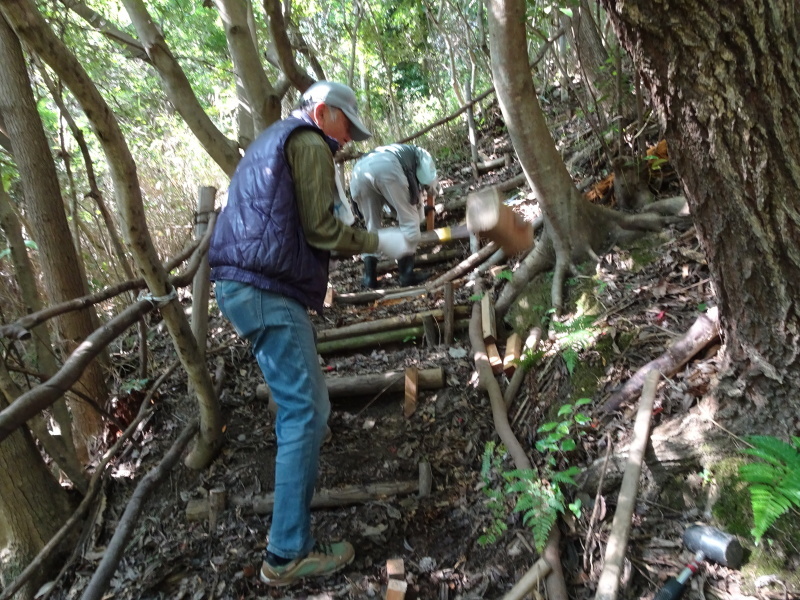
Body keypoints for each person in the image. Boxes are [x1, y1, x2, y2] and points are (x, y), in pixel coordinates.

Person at [208, 81, 411, 586]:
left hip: (242, 285)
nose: (348, 141)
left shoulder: (274, 140)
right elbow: (322, 230)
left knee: (297, 408)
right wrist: (380, 241)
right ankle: (287, 554)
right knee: (307, 409)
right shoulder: (308, 141)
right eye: (346, 128)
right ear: (323, 113)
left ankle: (287, 540)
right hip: (263, 288)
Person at [350, 144, 439, 288]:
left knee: (372, 227)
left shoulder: (394, 150)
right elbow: (428, 179)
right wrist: (434, 191)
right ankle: (406, 275)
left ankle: (369, 278)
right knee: (410, 224)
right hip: (387, 167)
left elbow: (392, 205)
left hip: (358, 172)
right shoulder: (420, 152)